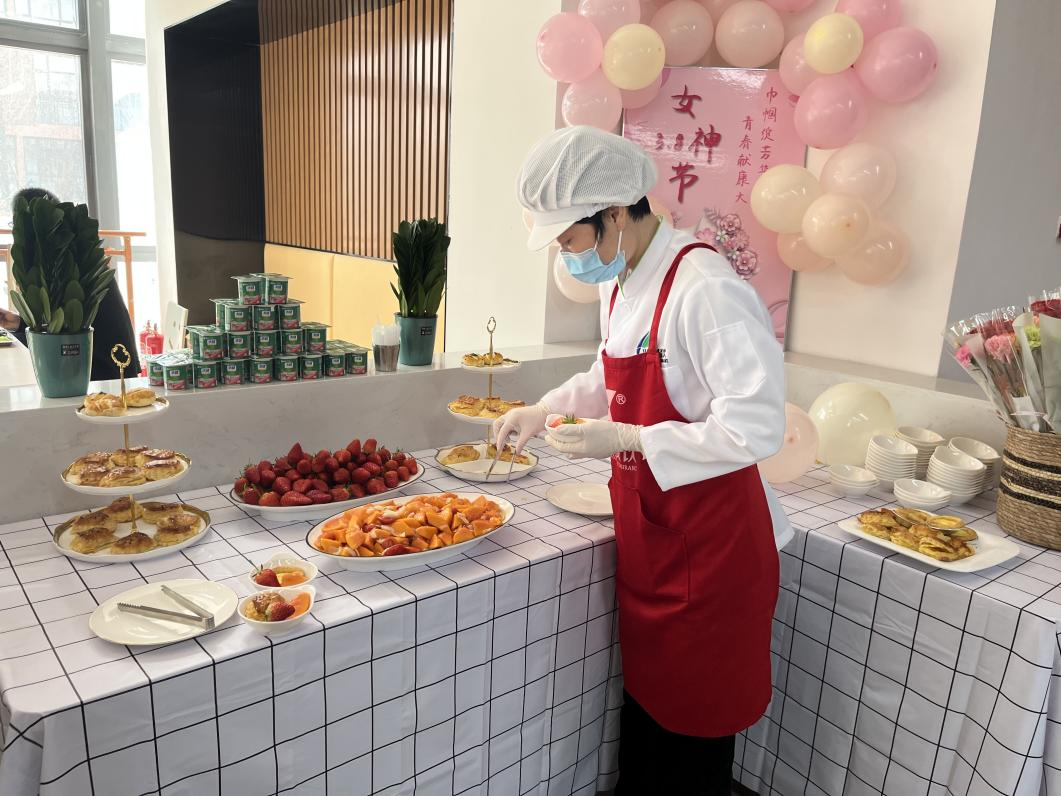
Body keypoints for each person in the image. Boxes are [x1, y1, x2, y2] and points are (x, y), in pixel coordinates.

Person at [494, 126, 792, 795]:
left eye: (570, 240)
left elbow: (755, 427)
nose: (568, 256)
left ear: (614, 214)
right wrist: (545, 408)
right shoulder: (623, 277)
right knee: (650, 721)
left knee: (694, 741)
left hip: (713, 549)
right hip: (655, 536)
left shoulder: (705, 288)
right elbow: (610, 371)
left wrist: (631, 439)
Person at [3, 188, 140, 381]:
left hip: (104, 374)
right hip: (106, 366)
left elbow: (59, 340)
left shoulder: (64, 265)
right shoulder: (73, 252)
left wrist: (22, 326)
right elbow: (58, 327)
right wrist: (18, 323)